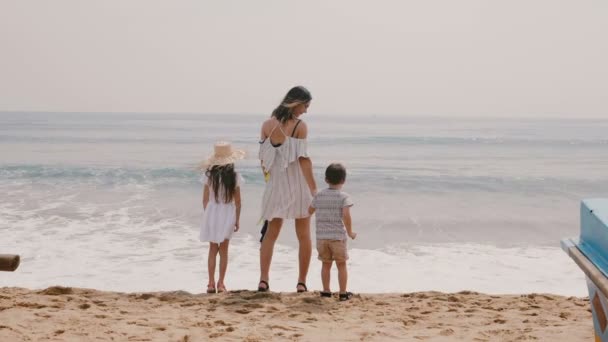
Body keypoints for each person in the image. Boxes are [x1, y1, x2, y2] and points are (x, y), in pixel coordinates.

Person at [257, 86, 317, 292]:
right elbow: (303, 160)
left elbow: (263, 159)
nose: (306, 111)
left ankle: (263, 280)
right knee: (304, 235)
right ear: (296, 102)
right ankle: (301, 283)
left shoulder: (267, 125)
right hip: (298, 186)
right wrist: (315, 190)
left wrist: (270, 182)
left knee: (270, 235)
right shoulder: (300, 126)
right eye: (305, 106)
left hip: (276, 186)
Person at [199, 141, 244, 293]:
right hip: (227, 212)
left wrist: (208, 214)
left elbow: (205, 200)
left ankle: (210, 283)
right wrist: (237, 219)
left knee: (212, 248)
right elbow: (238, 202)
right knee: (224, 250)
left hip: (212, 211)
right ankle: (221, 283)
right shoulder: (235, 176)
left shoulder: (209, 176)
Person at [308, 163, 357, 301]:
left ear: (326, 179)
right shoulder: (344, 197)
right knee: (341, 265)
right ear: (343, 180)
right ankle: (342, 293)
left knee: (326, 264)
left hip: (321, 238)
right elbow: (346, 215)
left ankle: (326, 291)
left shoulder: (319, 196)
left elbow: (309, 210)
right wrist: (350, 232)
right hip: (337, 238)